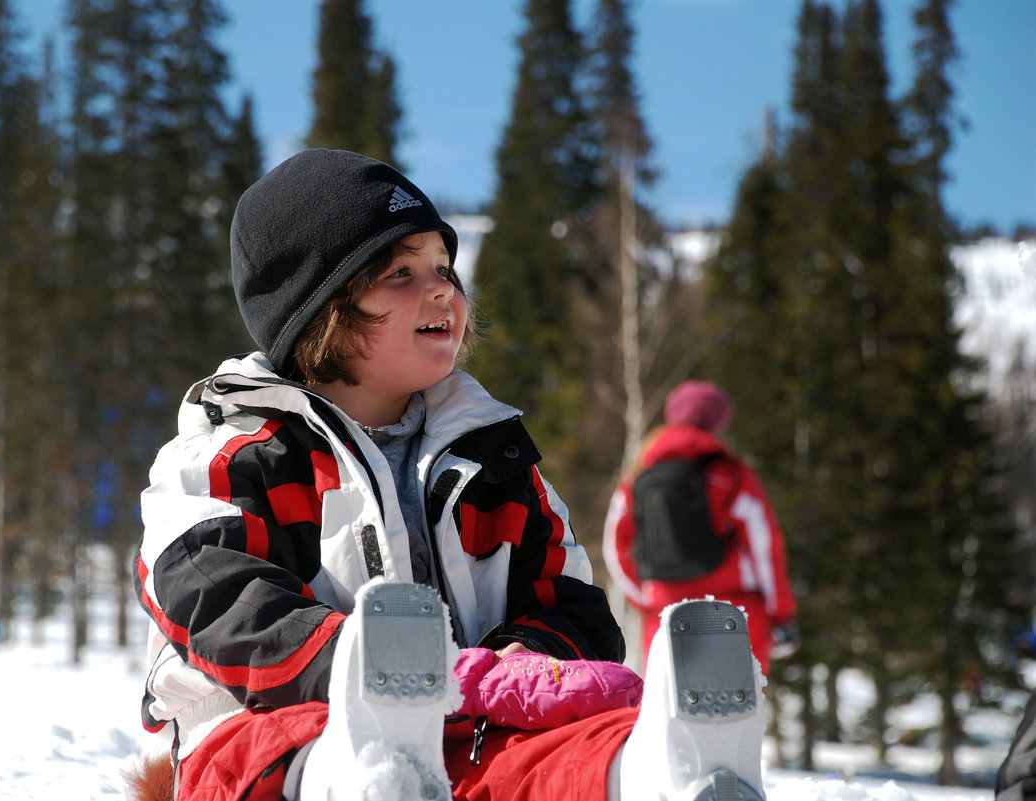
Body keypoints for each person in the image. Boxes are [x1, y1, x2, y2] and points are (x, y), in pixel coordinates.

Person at [131, 149, 769, 801]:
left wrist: (528, 657)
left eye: (443, 266)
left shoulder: (492, 456)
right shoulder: (238, 452)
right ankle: (363, 784)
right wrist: (361, 665)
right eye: (399, 272)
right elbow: (208, 592)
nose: (440, 287)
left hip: (458, 728)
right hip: (268, 719)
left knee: (534, 749)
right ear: (317, 306)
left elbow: (567, 599)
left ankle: (660, 771)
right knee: (265, 751)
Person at [603, 380, 800, 675]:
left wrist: (643, 597)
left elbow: (614, 544)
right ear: (719, 421)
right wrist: (781, 614)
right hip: (735, 613)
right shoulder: (730, 472)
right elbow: (763, 547)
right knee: (739, 713)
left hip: (665, 613)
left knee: (670, 712)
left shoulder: (640, 472)